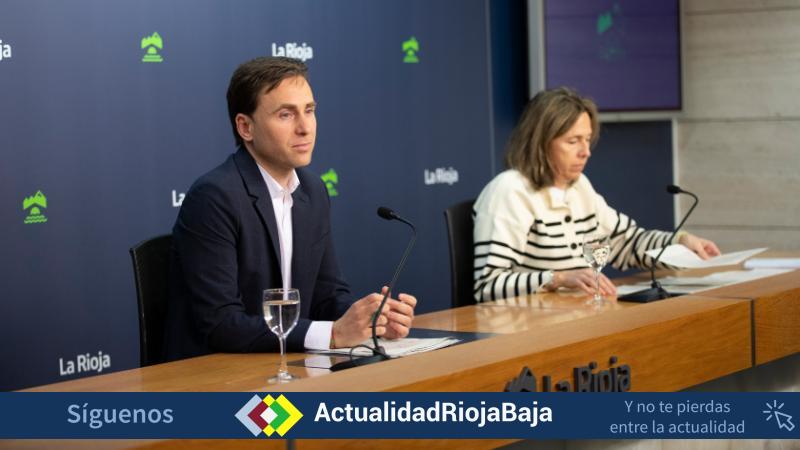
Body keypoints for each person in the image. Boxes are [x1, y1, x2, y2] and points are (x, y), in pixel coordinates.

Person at [164, 56, 416, 361]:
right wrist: (334, 334)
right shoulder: (214, 197)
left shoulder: (312, 190)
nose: (305, 128)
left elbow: (327, 296)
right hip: (215, 374)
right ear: (245, 127)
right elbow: (221, 324)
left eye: (309, 110)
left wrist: (371, 321)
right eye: (286, 114)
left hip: (286, 366)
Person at [472, 87, 720, 302]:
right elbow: (488, 286)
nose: (586, 152)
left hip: (576, 317)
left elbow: (626, 244)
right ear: (541, 143)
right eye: (573, 141)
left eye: (587, 140)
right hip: (530, 328)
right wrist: (558, 278)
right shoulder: (509, 191)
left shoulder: (579, 186)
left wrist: (680, 243)